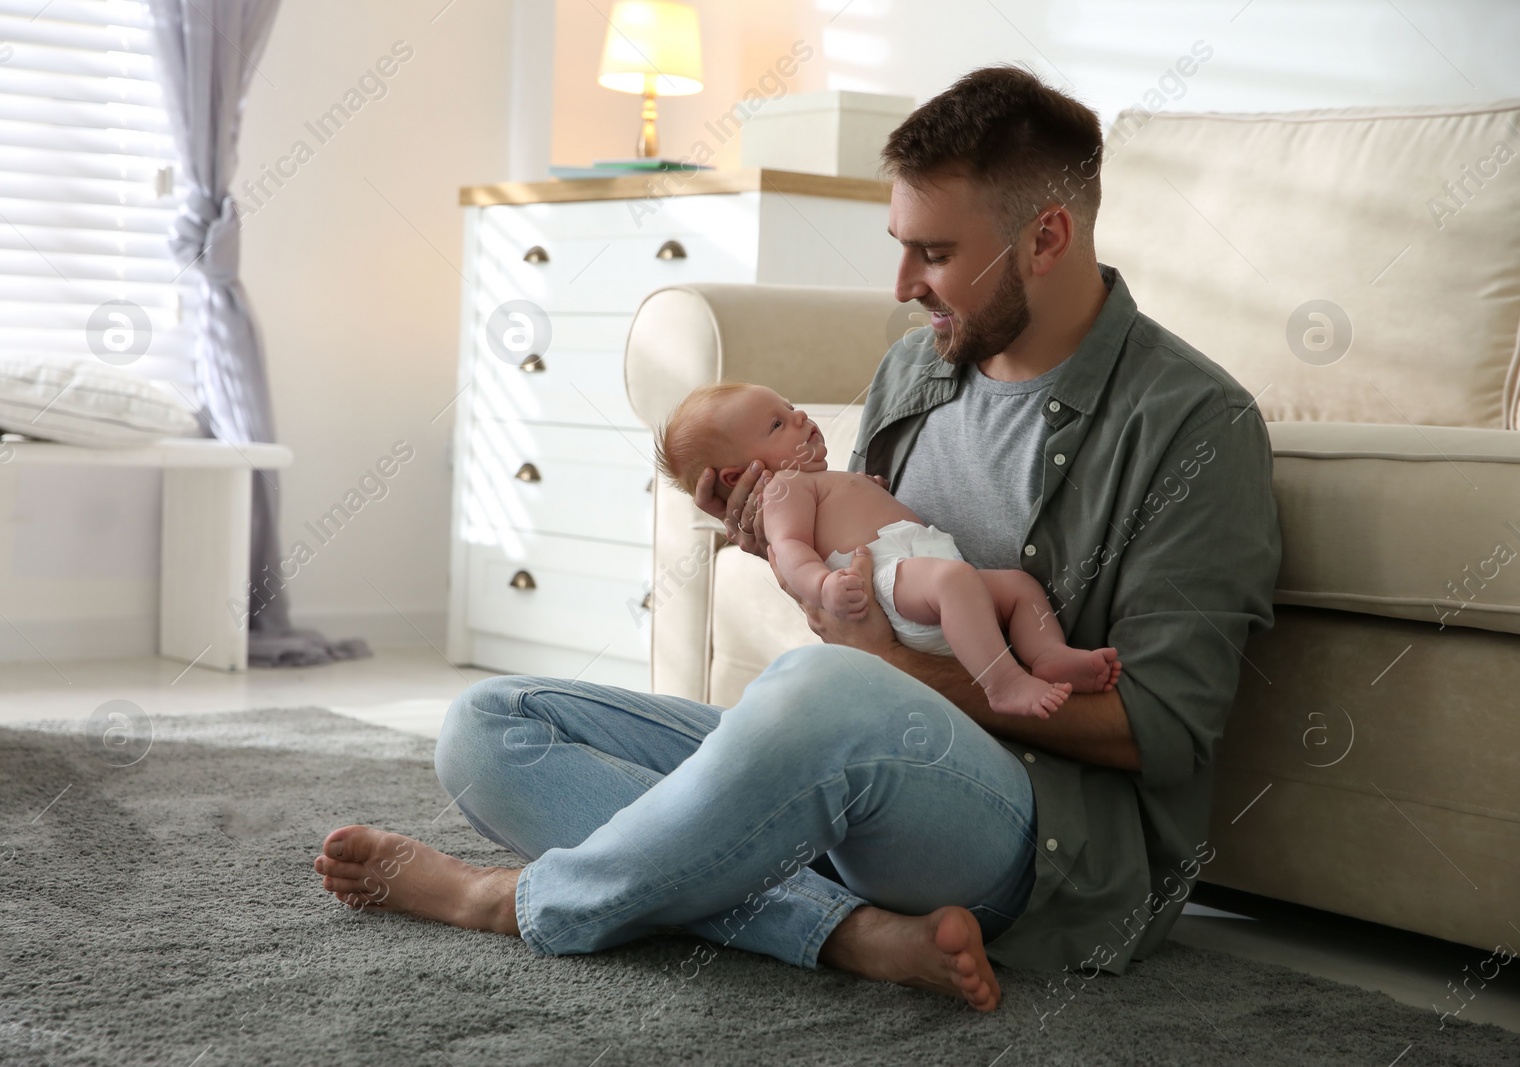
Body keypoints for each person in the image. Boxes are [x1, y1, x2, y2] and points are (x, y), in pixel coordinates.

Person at [312, 64, 1281, 1014]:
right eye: (900, 245)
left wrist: (885, 664)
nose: (902, 284)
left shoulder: (1192, 424)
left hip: (1040, 829)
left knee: (823, 693)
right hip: (859, 756)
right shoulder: (917, 369)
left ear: (1047, 236)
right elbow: (868, 587)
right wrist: (784, 556)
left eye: (933, 254)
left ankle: (511, 899)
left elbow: (1160, 728)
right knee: (486, 723)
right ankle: (846, 929)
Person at [652, 380, 1123, 717]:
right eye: (776, 424)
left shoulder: (825, 482)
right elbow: (791, 548)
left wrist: (870, 492)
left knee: (1018, 587)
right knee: (956, 581)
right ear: (739, 476)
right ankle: (1003, 684)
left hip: (920, 571)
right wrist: (823, 586)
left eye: (791, 406)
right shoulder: (782, 489)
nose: (799, 416)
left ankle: (1047, 656)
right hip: (883, 581)